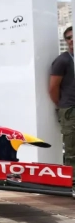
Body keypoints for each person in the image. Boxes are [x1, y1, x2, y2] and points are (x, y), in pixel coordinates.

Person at [50, 25, 75, 171]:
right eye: (68, 38)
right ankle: (72, 184)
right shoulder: (63, 60)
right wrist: (62, 106)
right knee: (72, 151)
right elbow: (53, 88)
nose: (71, 40)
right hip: (70, 111)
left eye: (73, 36)